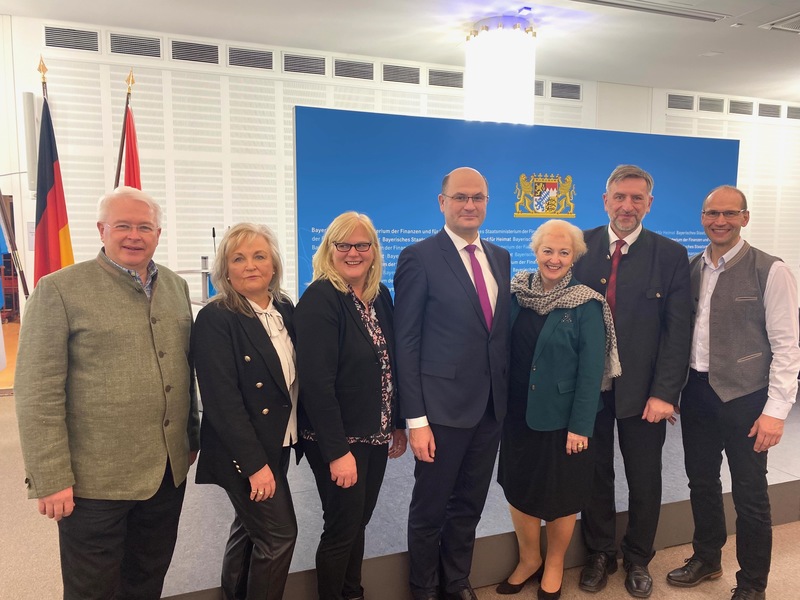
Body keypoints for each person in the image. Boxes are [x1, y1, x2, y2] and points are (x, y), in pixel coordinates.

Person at [15, 186, 199, 600]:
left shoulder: (173, 286)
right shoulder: (59, 290)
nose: (134, 235)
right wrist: (50, 478)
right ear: (101, 229)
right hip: (93, 482)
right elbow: (37, 393)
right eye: (123, 226)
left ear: (158, 233)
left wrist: (191, 438)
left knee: (147, 578)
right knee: (93, 590)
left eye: (144, 227)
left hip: (166, 474)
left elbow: (183, 371)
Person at [665, 186, 800, 600]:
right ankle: (707, 558)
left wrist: (776, 411)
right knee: (701, 482)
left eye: (728, 213)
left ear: (744, 217)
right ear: (702, 217)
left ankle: (752, 584)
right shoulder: (690, 268)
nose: (719, 221)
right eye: (711, 213)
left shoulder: (770, 270)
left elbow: (787, 346)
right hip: (698, 394)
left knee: (751, 495)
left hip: (748, 399)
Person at [573, 165, 691, 598]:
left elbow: (678, 333)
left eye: (636, 198)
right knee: (593, 474)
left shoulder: (671, 255)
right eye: (619, 197)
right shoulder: (577, 245)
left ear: (649, 204)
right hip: (588, 391)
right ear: (605, 200)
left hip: (646, 395)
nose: (627, 206)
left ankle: (639, 556)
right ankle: (599, 552)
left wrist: (665, 394)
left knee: (645, 477)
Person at [394, 166, 511, 600]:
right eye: (460, 197)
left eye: (477, 197)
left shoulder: (499, 257)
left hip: (489, 410)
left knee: (469, 504)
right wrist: (416, 419)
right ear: (442, 203)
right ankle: (423, 587)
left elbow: (495, 336)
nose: (469, 205)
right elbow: (406, 343)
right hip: (440, 411)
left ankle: (455, 580)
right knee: (430, 507)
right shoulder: (419, 257)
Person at [497, 219, 620, 600]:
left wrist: (581, 426)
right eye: (547, 250)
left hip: (565, 420)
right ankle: (529, 559)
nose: (554, 258)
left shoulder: (586, 303)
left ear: (575, 257)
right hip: (517, 415)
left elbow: (592, 373)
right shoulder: (515, 294)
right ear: (535, 252)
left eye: (563, 252)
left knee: (561, 495)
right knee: (519, 489)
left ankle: (553, 565)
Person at [295, 211, 407, 600]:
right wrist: (337, 451)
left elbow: (392, 365)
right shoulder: (320, 299)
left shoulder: (379, 297)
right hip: (337, 438)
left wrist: (396, 423)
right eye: (344, 245)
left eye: (363, 245)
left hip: (374, 435)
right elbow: (316, 385)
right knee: (341, 528)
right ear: (329, 250)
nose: (353, 252)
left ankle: (351, 592)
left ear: (374, 251)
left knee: (358, 521)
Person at [192, 223, 298, 600]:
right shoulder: (217, 318)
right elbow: (223, 404)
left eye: (259, 256)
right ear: (226, 269)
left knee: (250, 530)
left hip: (278, 441)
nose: (250, 265)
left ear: (273, 265)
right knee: (279, 536)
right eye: (238, 258)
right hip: (244, 451)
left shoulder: (284, 308)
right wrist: (254, 465)